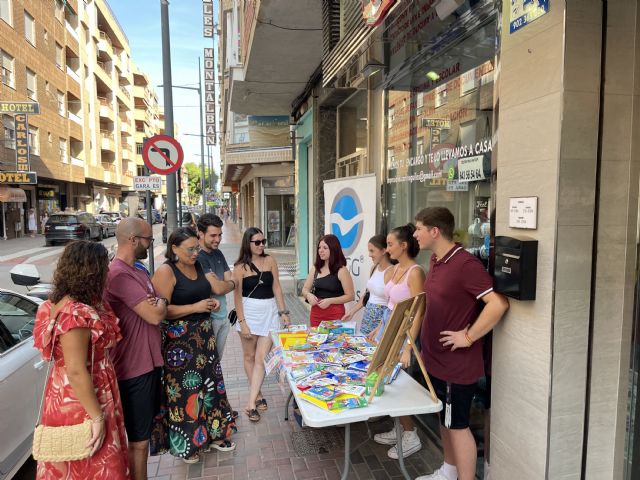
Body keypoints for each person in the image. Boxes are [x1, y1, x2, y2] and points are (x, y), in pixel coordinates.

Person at [413, 207, 509, 480]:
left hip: (456, 367)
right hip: (435, 360)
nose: (415, 234)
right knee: (444, 420)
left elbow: (498, 304)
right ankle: (448, 472)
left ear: (434, 231)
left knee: (457, 426)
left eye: (419, 228)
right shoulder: (435, 259)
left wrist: (468, 337)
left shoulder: (465, 264)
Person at [32, 240, 129, 479]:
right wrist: (97, 417)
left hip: (73, 392)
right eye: (104, 267)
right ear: (93, 272)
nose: (108, 272)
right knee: (92, 463)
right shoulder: (76, 313)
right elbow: (76, 370)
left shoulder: (61, 303)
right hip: (82, 399)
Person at [152, 227, 237, 464]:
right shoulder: (166, 271)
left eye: (196, 248)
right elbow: (160, 311)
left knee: (211, 387)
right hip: (180, 344)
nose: (195, 253)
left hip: (204, 337)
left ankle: (215, 434)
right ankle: (189, 444)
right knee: (186, 394)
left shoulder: (198, 265)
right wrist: (195, 307)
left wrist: (210, 304)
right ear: (174, 249)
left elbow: (207, 292)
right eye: (190, 249)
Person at [105, 218, 167, 480]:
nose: (150, 244)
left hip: (150, 363)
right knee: (138, 441)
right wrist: (159, 305)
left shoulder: (139, 270)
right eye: (147, 239)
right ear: (133, 240)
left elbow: (159, 301)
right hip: (133, 367)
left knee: (144, 436)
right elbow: (154, 315)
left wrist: (159, 303)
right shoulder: (118, 274)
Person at [368, 224, 426, 460]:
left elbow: (418, 310)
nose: (387, 247)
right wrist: (378, 328)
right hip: (388, 333)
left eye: (391, 244)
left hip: (403, 337)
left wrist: (409, 347)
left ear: (404, 245)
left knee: (399, 387)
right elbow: (390, 305)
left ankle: (411, 435)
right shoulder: (396, 269)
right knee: (387, 384)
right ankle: (400, 428)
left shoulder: (415, 272)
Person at [232, 227, 290, 422]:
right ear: (248, 244)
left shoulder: (270, 260)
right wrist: (242, 322)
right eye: (257, 242)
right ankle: (257, 395)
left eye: (263, 241)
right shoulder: (239, 267)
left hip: (270, 313)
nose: (261, 245)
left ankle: (250, 403)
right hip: (249, 314)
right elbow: (237, 298)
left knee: (261, 359)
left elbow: (277, 287)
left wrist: (283, 312)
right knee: (249, 356)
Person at [196, 214, 235, 357]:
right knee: (208, 363)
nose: (218, 239)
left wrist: (227, 283)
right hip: (209, 318)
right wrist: (228, 283)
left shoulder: (217, 253)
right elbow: (218, 288)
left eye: (220, 235)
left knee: (217, 362)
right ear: (200, 233)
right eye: (213, 235)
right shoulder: (198, 257)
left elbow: (231, 280)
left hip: (223, 316)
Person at [341, 234, 394, 335]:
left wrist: (382, 324)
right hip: (367, 319)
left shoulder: (391, 272)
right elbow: (367, 295)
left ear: (383, 251)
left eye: (372, 251)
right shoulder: (373, 268)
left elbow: (392, 303)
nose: (369, 254)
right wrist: (351, 312)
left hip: (381, 321)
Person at [301, 234, 355, 328]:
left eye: (325, 248)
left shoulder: (341, 270)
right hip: (316, 314)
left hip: (335, 314)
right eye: (319, 247)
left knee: (335, 341)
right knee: (316, 341)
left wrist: (330, 301)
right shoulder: (315, 268)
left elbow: (350, 296)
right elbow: (305, 289)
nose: (320, 250)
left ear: (333, 249)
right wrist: (308, 295)